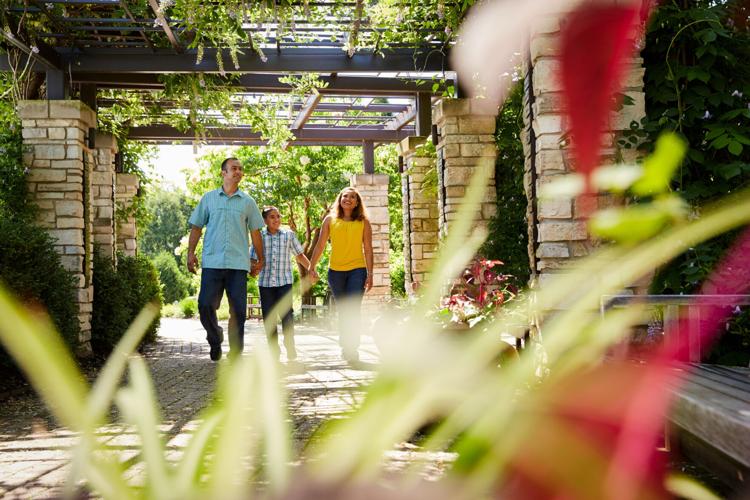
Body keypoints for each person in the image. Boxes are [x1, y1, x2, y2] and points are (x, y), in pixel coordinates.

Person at [187, 157, 264, 361]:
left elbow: (256, 232)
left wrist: (260, 259)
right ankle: (215, 338)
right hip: (212, 263)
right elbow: (196, 227)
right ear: (223, 173)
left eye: (240, 169)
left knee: (238, 310)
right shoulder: (209, 199)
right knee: (205, 305)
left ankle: (236, 352)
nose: (238, 171)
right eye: (233, 168)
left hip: (238, 264)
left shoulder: (248, 202)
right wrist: (190, 253)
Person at [308, 187, 373, 364]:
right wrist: (311, 266)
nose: (348, 199)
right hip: (335, 272)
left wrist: (370, 274)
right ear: (340, 199)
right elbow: (320, 245)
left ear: (357, 202)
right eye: (345, 196)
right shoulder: (330, 220)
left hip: (357, 270)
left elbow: (368, 249)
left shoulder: (363, 222)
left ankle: (352, 348)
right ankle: (346, 346)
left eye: (353, 197)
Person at [250, 206, 317, 362]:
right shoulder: (259, 237)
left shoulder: (288, 235)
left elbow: (300, 255)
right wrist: (253, 269)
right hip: (265, 284)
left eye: (278, 216)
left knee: (287, 317)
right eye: (272, 217)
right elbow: (253, 260)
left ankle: (290, 344)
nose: (277, 219)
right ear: (265, 220)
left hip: (284, 283)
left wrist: (311, 269)